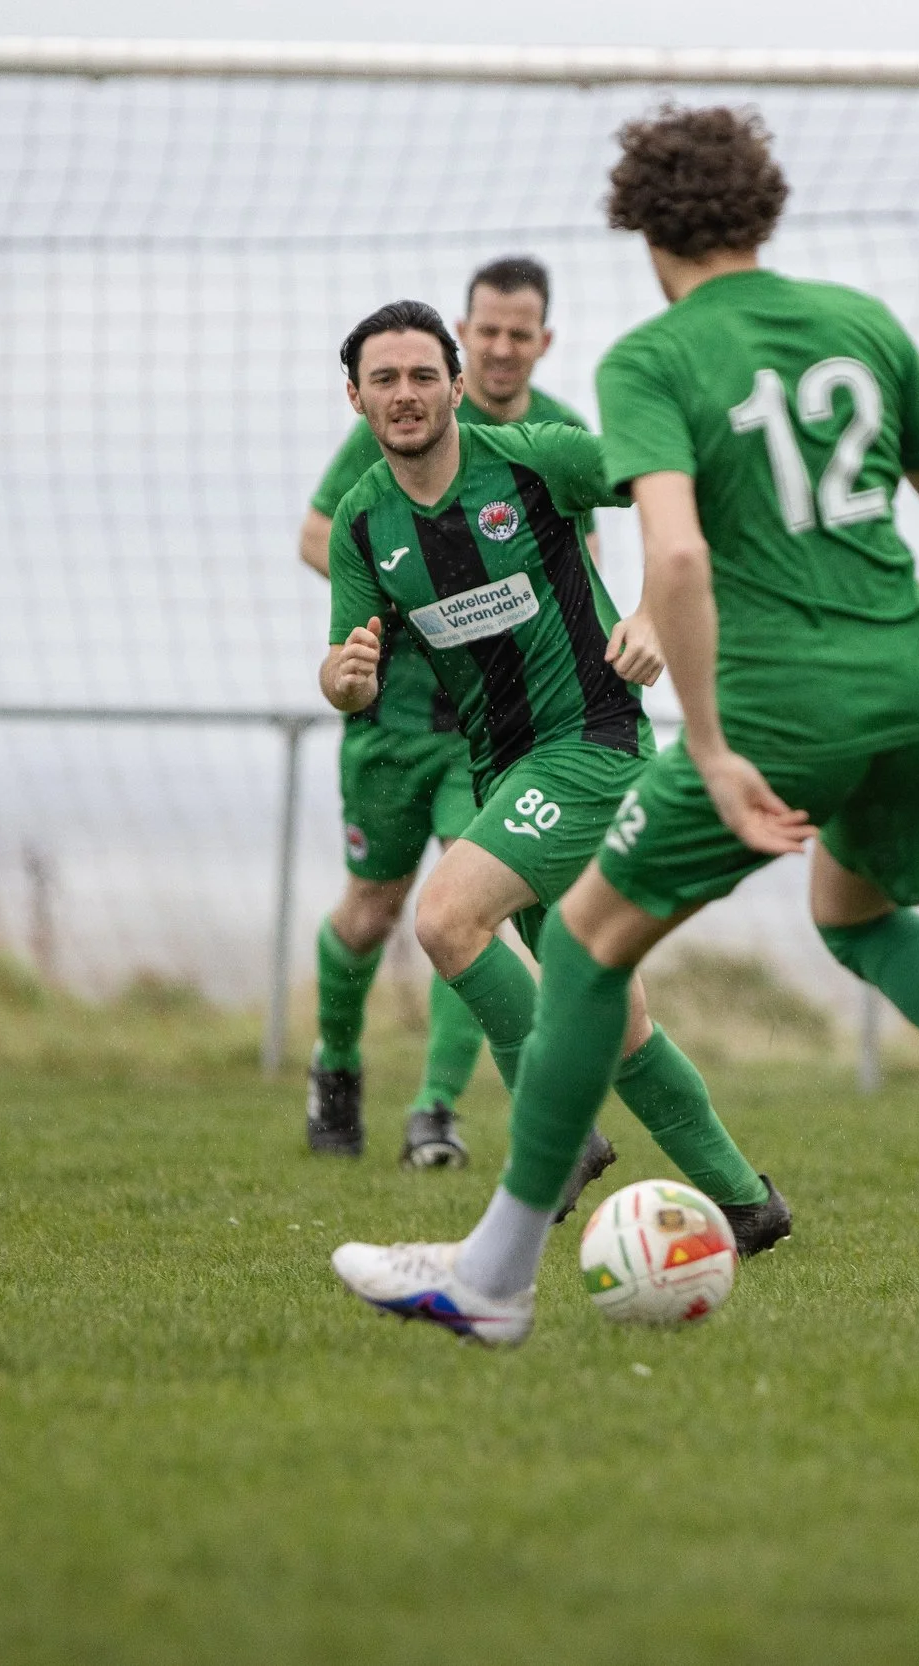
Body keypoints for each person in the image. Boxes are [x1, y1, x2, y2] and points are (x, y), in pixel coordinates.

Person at [330, 106, 919, 1347]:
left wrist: (701, 741)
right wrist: (886, 631)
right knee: (857, 915)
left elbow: (676, 555)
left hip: (769, 700)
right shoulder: (865, 324)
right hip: (909, 677)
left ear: (643, 228)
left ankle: (491, 1276)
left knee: (581, 951)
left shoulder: (653, 358)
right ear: (768, 207)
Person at [316, 298, 791, 1274]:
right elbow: (337, 666)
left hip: (592, 743)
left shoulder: (539, 457)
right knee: (617, 1021)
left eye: (420, 375)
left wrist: (660, 612)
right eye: (383, 379)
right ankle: (747, 1203)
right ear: (356, 396)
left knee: (446, 918)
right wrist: (348, 678)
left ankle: (557, 1128)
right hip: (502, 765)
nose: (404, 395)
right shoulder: (366, 518)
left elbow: (682, 493)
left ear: (456, 384)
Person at [293, 257, 589, 1164]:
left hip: (495, 730)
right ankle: (335, 1067)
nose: (502, 347)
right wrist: (407, 614)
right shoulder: (399, 423)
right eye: (487, 329)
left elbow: (585, 557)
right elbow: (319, 535)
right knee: (371, 911)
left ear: (543, 340)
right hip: (392, 727)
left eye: (519, 332)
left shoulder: (558, 435)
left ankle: (434, 1113)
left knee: (472, 899)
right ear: (467, 336)